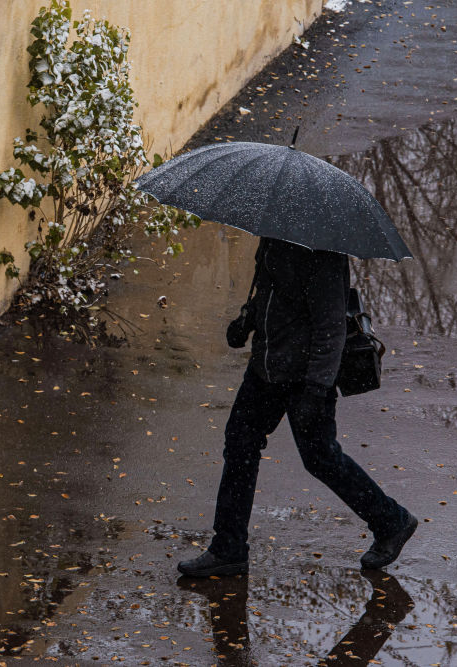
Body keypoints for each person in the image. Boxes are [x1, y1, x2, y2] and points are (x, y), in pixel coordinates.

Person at [178, 236, 417, 577]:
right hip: (265, 368)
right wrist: (247, 321)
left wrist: (316, 390)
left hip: (304, 377)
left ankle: (391, 521)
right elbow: (271, 293)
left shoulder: (321, 250)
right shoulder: (275, 237)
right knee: (240, 444)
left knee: (321, 458)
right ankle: (228, 548)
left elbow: (331, 327)